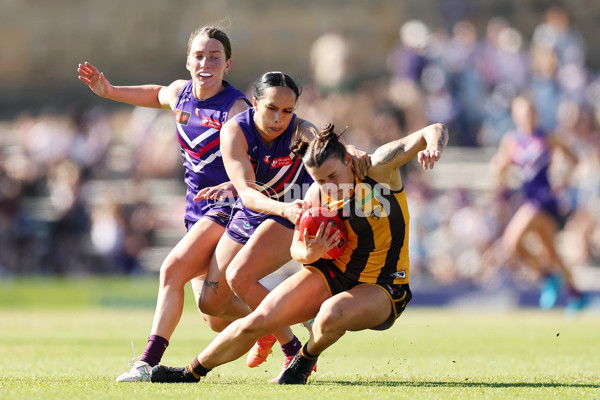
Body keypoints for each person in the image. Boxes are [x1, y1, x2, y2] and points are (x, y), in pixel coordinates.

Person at [149, 121, 449, 384]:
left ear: (348, 159)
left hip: (384, 284)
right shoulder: (317, 194)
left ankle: (302, 362)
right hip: (333, 274)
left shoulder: (379, 167)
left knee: (331, 315)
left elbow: (433, 130)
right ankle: (190, 373)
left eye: (332, 176)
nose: (327, 186)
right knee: (259, 319)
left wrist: (433, 146)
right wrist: (310, 251)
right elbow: (297, 249)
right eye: (318, 180)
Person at [77, 24, 254, 382]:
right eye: (199, 56)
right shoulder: (180, 93)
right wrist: (109, 91)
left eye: (214, 57)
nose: (206, 63)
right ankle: (279, 324)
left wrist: (234, 187)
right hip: (196, 210)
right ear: (188, 61)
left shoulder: (236, 107)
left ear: (228, 64)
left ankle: (146, 362)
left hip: (228, 207)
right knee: (213, 314)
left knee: (170, 269)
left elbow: (257, 160)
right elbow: (157, 93)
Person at [193, 71, 369, 382]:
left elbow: (326, 150)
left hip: (297, 210)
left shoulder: (301, 130)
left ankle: (290, 348)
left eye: (287, 111)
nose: (279, 118)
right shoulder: (235, 131)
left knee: (240, 277)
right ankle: (268, 327)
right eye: (272, 108)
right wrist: (280, 208)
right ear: (256, 102)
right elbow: (247, 194)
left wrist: (350, 153)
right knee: (211, 303)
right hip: (259, 207)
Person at [483, 94, 588, 313]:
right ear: (515, 116)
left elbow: (574, 159)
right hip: (529, 199)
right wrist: (499, 178)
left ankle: (547, 276)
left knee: (511, 243)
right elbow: (501, 167)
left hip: (545, 200)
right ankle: (576, 294)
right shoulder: (512, 141)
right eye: (522, 113)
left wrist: (564, 179)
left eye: (530, 113)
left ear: (536, 114)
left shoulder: (547, 136)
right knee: (551, 252)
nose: (527, 117)